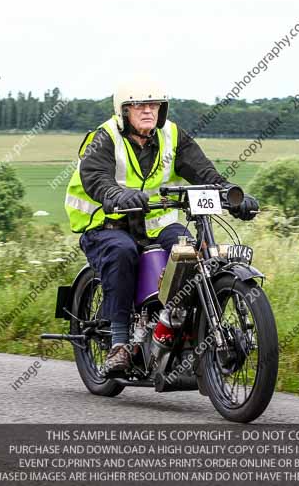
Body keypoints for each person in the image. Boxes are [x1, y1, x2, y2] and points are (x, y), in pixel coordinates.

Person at [64, 76, 259, 374]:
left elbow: (203, 172)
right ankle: (119, 344)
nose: (147, 111)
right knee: (122, 252)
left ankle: (182, 326)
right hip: (107, 225)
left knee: (191, 253)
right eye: (139, 105)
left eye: (153, 104)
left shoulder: (173, 137)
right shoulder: (104, 138)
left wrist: (232, 195)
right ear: (124, 111)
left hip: (157, 224)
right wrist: (117, 195)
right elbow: (96, 178)